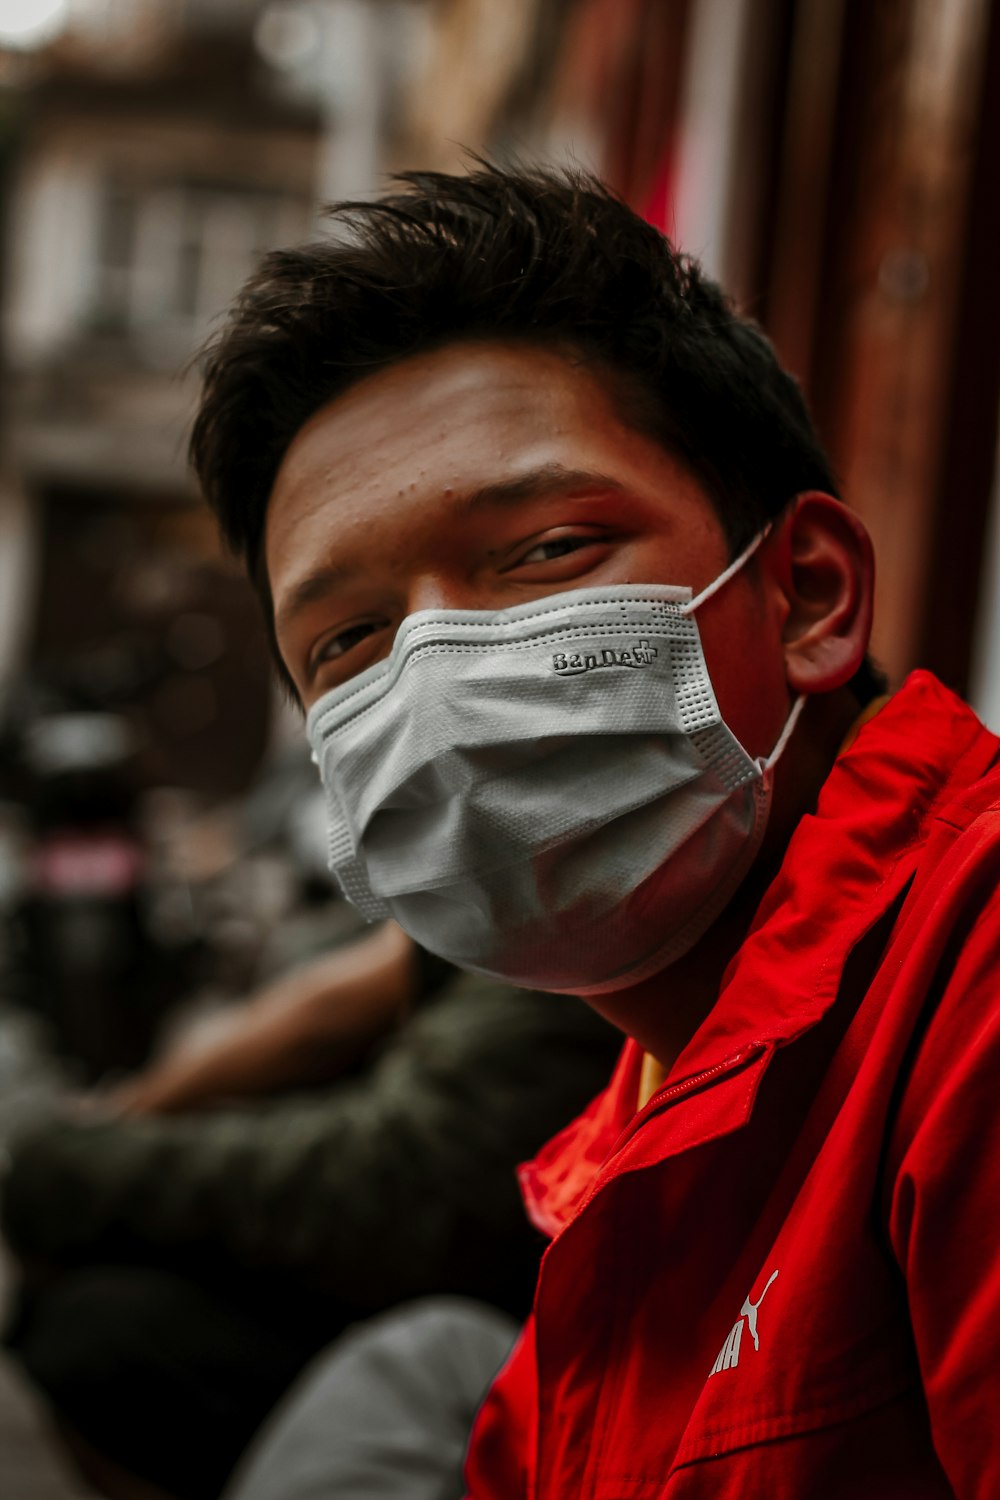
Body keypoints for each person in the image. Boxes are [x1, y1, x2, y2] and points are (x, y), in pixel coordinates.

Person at [187, 162, 1000, 1498]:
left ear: (807, 594)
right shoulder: (627, 1137)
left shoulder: (972, 979)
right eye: (348, 640)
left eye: (552, 549)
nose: (443, 677)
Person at [0, 919, 619, 1500]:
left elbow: (396, 1188)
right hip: (436, 1247)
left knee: (104, 1329)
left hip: (490, 1289)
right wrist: (115, 1126)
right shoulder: (501, 915)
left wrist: (71, 1169)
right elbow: (327, 1008)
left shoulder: (586, 942)